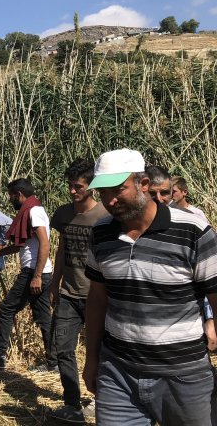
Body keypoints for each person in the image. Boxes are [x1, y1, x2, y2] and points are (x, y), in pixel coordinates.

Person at [82, 148, 217, 425]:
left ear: (143, 184)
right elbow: (97, 299)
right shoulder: (101, 232)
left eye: (118, 189)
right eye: (103, 192)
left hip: (183, 376)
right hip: (118, 372)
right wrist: (92, 358)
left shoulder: (192, 230)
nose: (110, 199)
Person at [45, 158, 110, 424]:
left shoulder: (105, 215)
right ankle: (71, 402)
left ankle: (100, 400)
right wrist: (54, 284)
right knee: (63, 349)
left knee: (103, 351)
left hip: (97, 296)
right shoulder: (62, 214)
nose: (73, 191)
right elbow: (61, 250)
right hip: (69, 296)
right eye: (70, 186)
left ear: (91, 187)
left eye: (78, 186)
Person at [0, 178, 57, 371]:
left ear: (19, 195)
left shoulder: (33, 211)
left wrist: (36, 276)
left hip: (34, 272)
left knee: (5, 310)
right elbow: (25, 245)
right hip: (39, 271)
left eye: (11, 196)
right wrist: (0, 252)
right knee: (43, 316)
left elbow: (45, 244)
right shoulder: (32, 210)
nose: (10, 200)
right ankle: (53, 362)